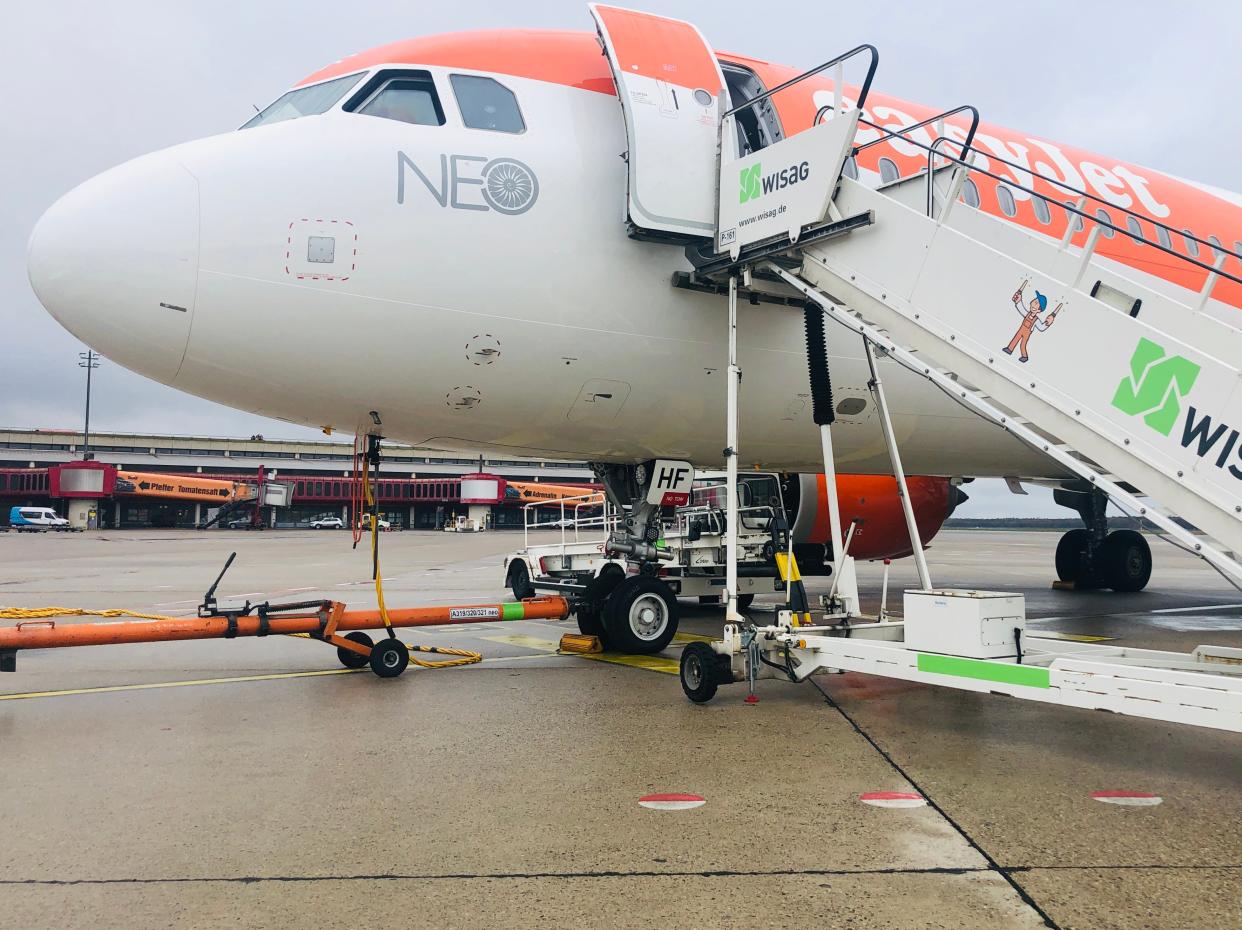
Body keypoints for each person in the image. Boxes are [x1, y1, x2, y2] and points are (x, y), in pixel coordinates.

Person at [1003, 280, 1062, 362]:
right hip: (1021, 330)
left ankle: (1025, 356)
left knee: (1022, 345)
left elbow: (1041, 328)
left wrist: (1048, 323)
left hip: (1027, 333)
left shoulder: (1036, 320)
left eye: (1036, 302)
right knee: (1015, 338)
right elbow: (1021, 308)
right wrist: (1018, 301)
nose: (1032, 303)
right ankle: (1009, 349)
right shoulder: (1027, 313)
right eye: (1034, 301)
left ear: (1039, 310)